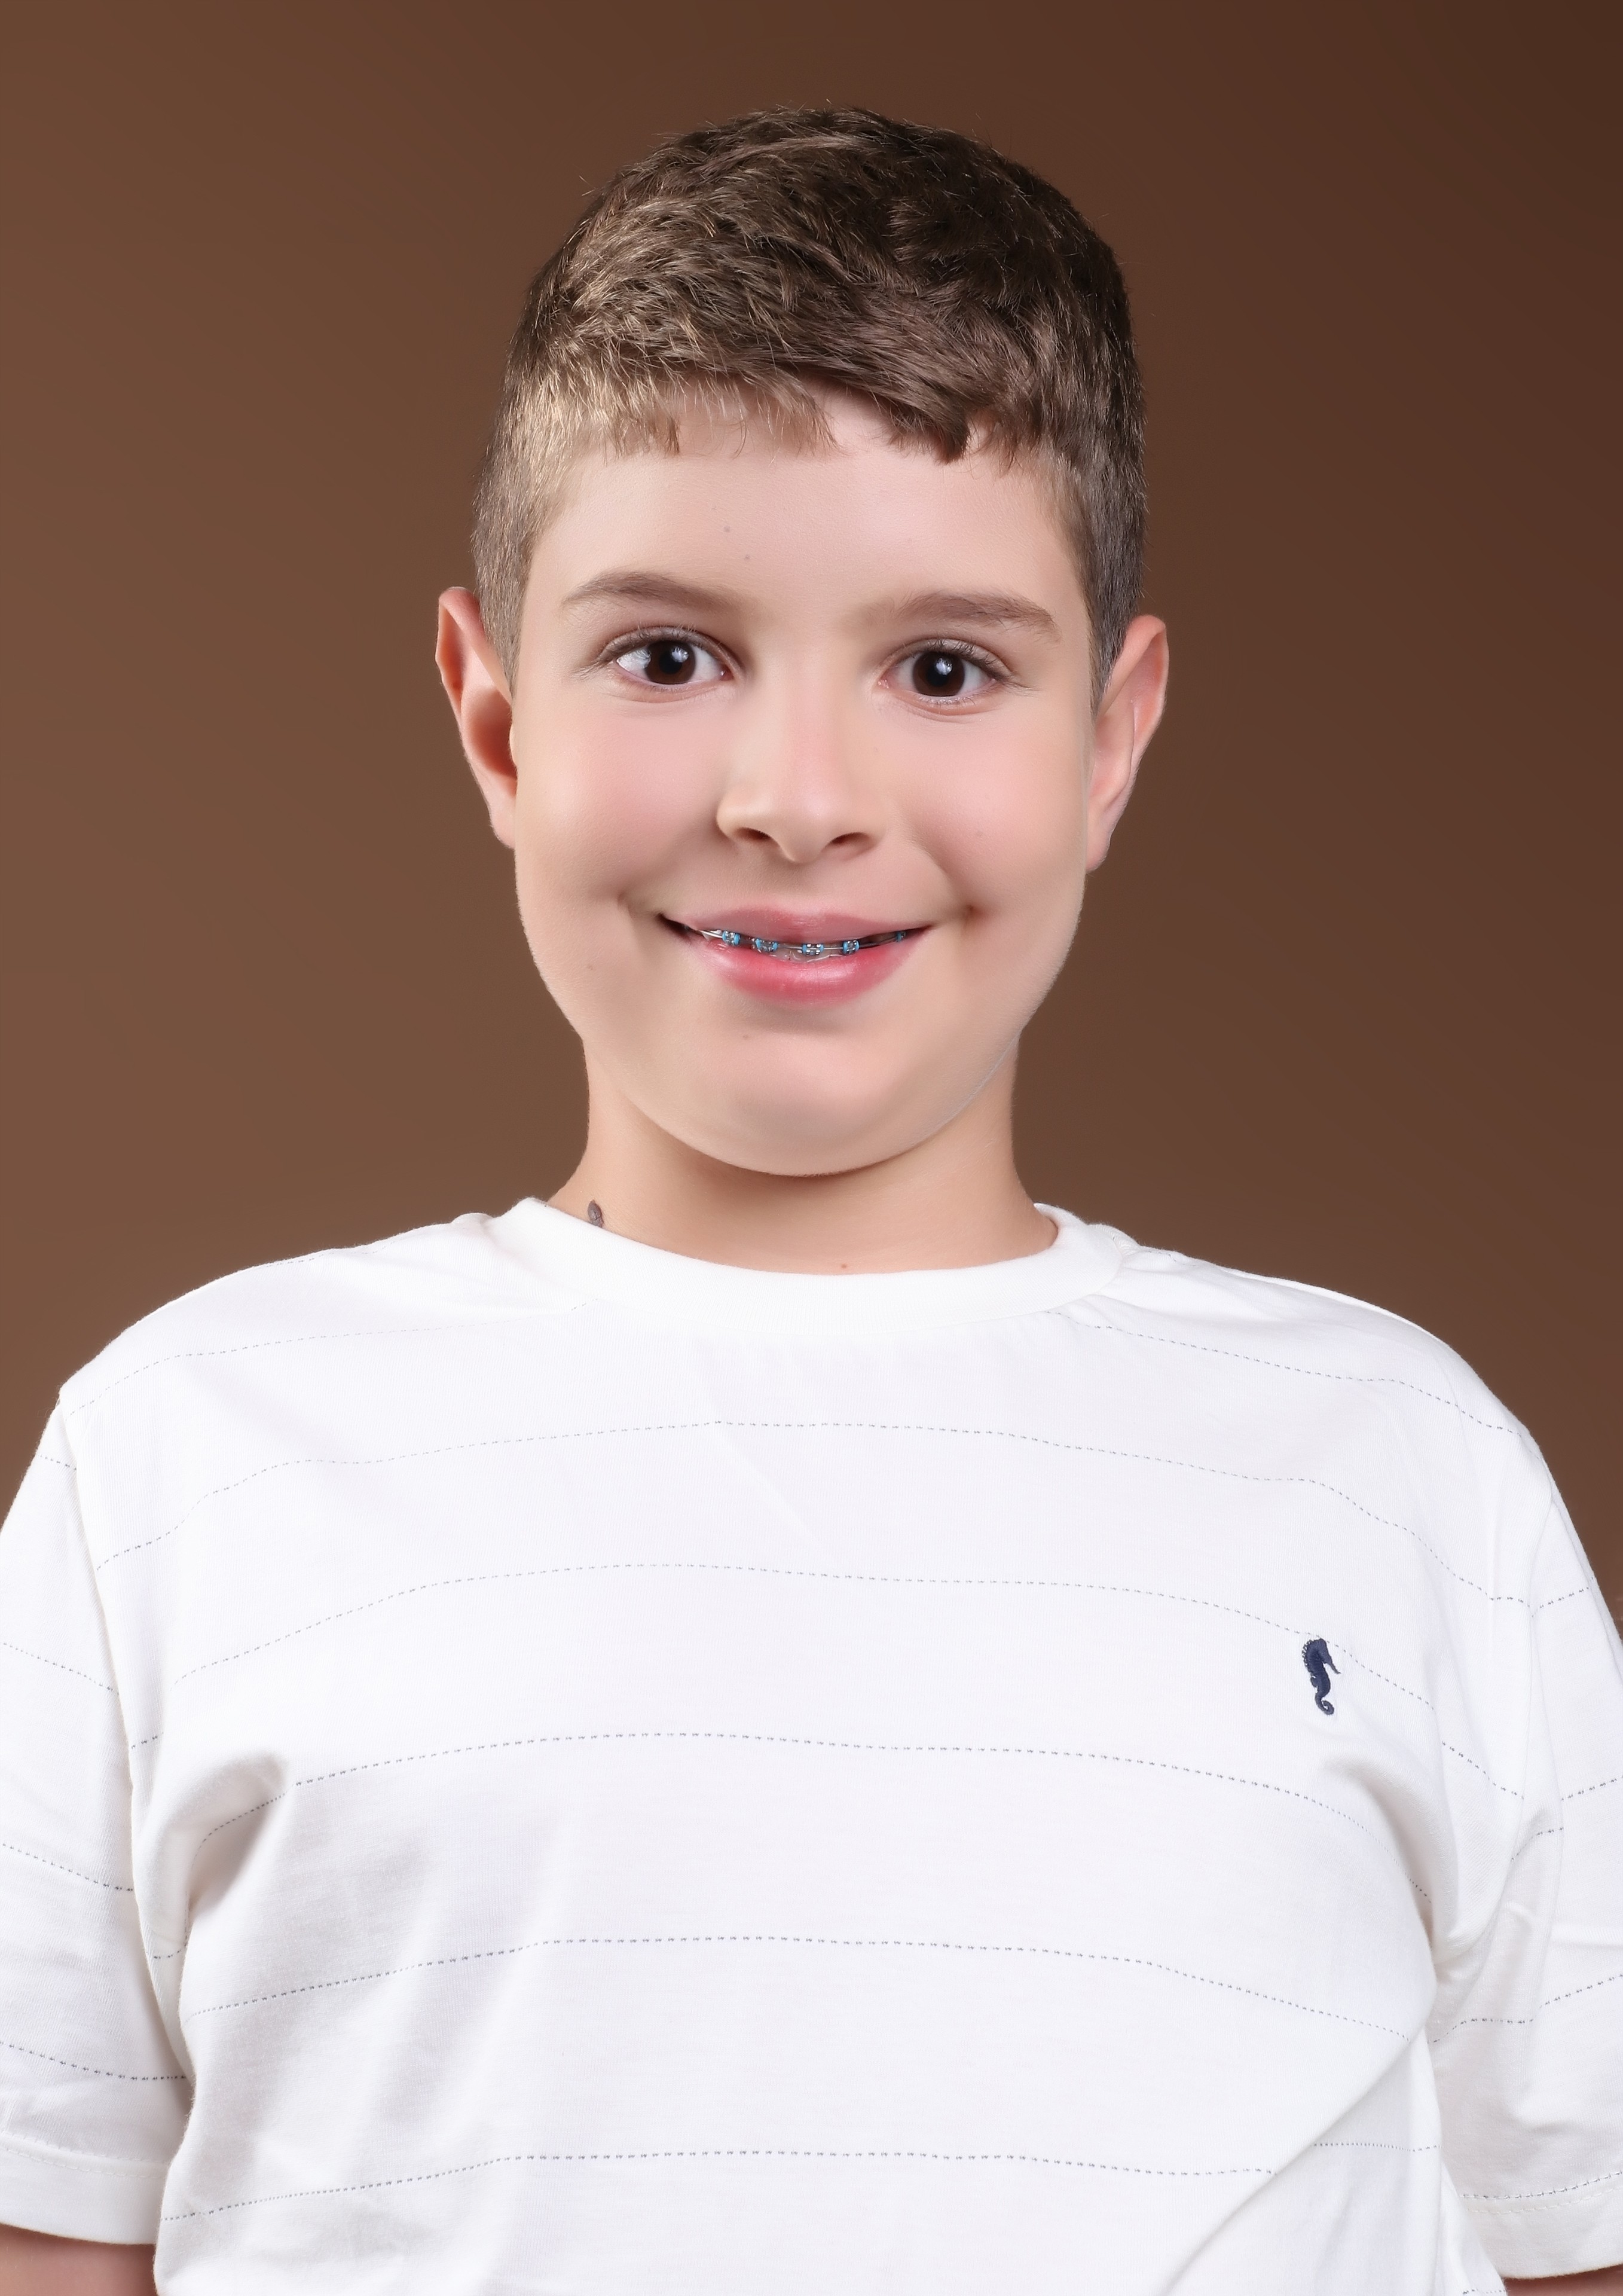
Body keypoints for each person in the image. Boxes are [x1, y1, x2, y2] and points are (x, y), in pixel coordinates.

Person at [0, 107, 1617, 2296]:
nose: (796, 802)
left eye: (943, 669)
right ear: (494, 721)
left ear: (1109, 738)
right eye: (670, 657)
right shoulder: (182, 1460)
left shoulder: (1404, 1473)